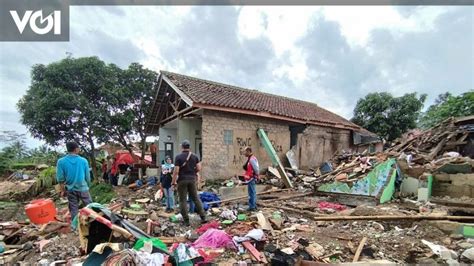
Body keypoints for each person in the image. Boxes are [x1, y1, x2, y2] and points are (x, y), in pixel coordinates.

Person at [172, 140, 207, 226]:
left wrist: (173, 182)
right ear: (189, 147)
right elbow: (199, 168)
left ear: (182, 147)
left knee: (182, 200)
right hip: (192, 179)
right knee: (195, 198)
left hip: (182, 180)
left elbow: (176, 171)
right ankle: (203, 217)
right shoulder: (195, 156)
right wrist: (192, 172)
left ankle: (186, 221)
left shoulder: (178, 157)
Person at [56, 142, 92, 220]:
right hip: (83, 187)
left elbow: (60, 179)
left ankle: (75, 226)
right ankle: (92, 222)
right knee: (89, 206)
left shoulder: (61, 161)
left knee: (73, 208)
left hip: (70, 189)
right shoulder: (83, 161)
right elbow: (87, 176)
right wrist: (88, 186)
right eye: (78, 148)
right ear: (76, 149)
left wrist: (63, 190)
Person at [243, 147, 259, 211]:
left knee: (251, 193)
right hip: (251, 178)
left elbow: (256, 169)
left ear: (249, 151)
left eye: (245, 152)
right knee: (252, 192)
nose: (244, 153)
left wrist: (256, 176)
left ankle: (252, 207)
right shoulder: (250, 158)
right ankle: (253, 205)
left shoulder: (252, 159)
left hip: (251, 178)